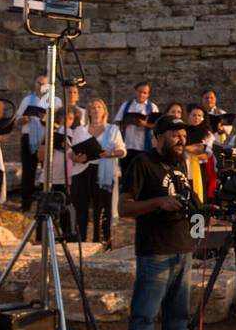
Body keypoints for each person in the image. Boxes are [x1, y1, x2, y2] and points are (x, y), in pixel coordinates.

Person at [119, 115, 207, 330]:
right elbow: (124, 208)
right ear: (158, 137)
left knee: (178, 315)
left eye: (184, 135)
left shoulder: (180, 163)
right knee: (144, 317)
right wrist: (159, 203)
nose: (181, 140)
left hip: (182, 248)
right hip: (155, 251)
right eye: (175, 135)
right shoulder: (142, 164)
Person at [37, 107, 90, 240]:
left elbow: (77, 157)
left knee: (66, 211)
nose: (67, 121)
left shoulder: (75, 136)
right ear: (58, 119)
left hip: (67, 178)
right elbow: (40, 157)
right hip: (49, 177)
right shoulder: (50, 134)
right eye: (64, 118)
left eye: (71, 118)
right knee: (45, 210)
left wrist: (68, 149)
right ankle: (42, 238)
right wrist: (49, 146)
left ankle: (66, 238)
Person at [82, 99, 127, 246]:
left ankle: (104, 240)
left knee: (104, 206)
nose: (96, 110)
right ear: (88, 111)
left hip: (105, 171)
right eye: (92, 107)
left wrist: (111, 153)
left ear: (104, 110)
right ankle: (85, 240)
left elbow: (122, 151)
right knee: (86, 206)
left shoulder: (112, 129)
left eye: (99, 107)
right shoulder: (82, 129)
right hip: (85, 169)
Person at [16, 75, 60, 212]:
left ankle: (46, 202)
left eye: (44, 84)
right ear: (34, 84)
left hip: (47, 139)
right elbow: (17, 119)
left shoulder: (55, 101)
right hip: (29, 138)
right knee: (28, 171)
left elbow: (60, 123)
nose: (41, 86)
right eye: (38, 83)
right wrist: (23, 119)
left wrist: (45, 118)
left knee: (48, 171)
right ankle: (26, 203)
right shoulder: (27, 100)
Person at [114, 82, 159, 181]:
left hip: (143, 147)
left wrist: (144, 124)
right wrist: (127, 122)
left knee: (141, 174)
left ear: (148, 94)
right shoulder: (126, 105)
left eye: (144, 92)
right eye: (139, 92)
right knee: (126, 173)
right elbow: (117, 122)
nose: (141, 95)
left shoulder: (152, 107)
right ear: (135, 92)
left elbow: (157, 126)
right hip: (128, 145)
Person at [183, 104, 216, 202]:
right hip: (184, 165)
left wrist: (187, 149)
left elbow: (206, 154)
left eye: (199, 115)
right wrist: (194, 148)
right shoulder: (183, 131)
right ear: (188, 116)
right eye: (194, 115)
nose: (196, 118)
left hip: (199, 167)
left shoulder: (207, 134)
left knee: (199, 193)